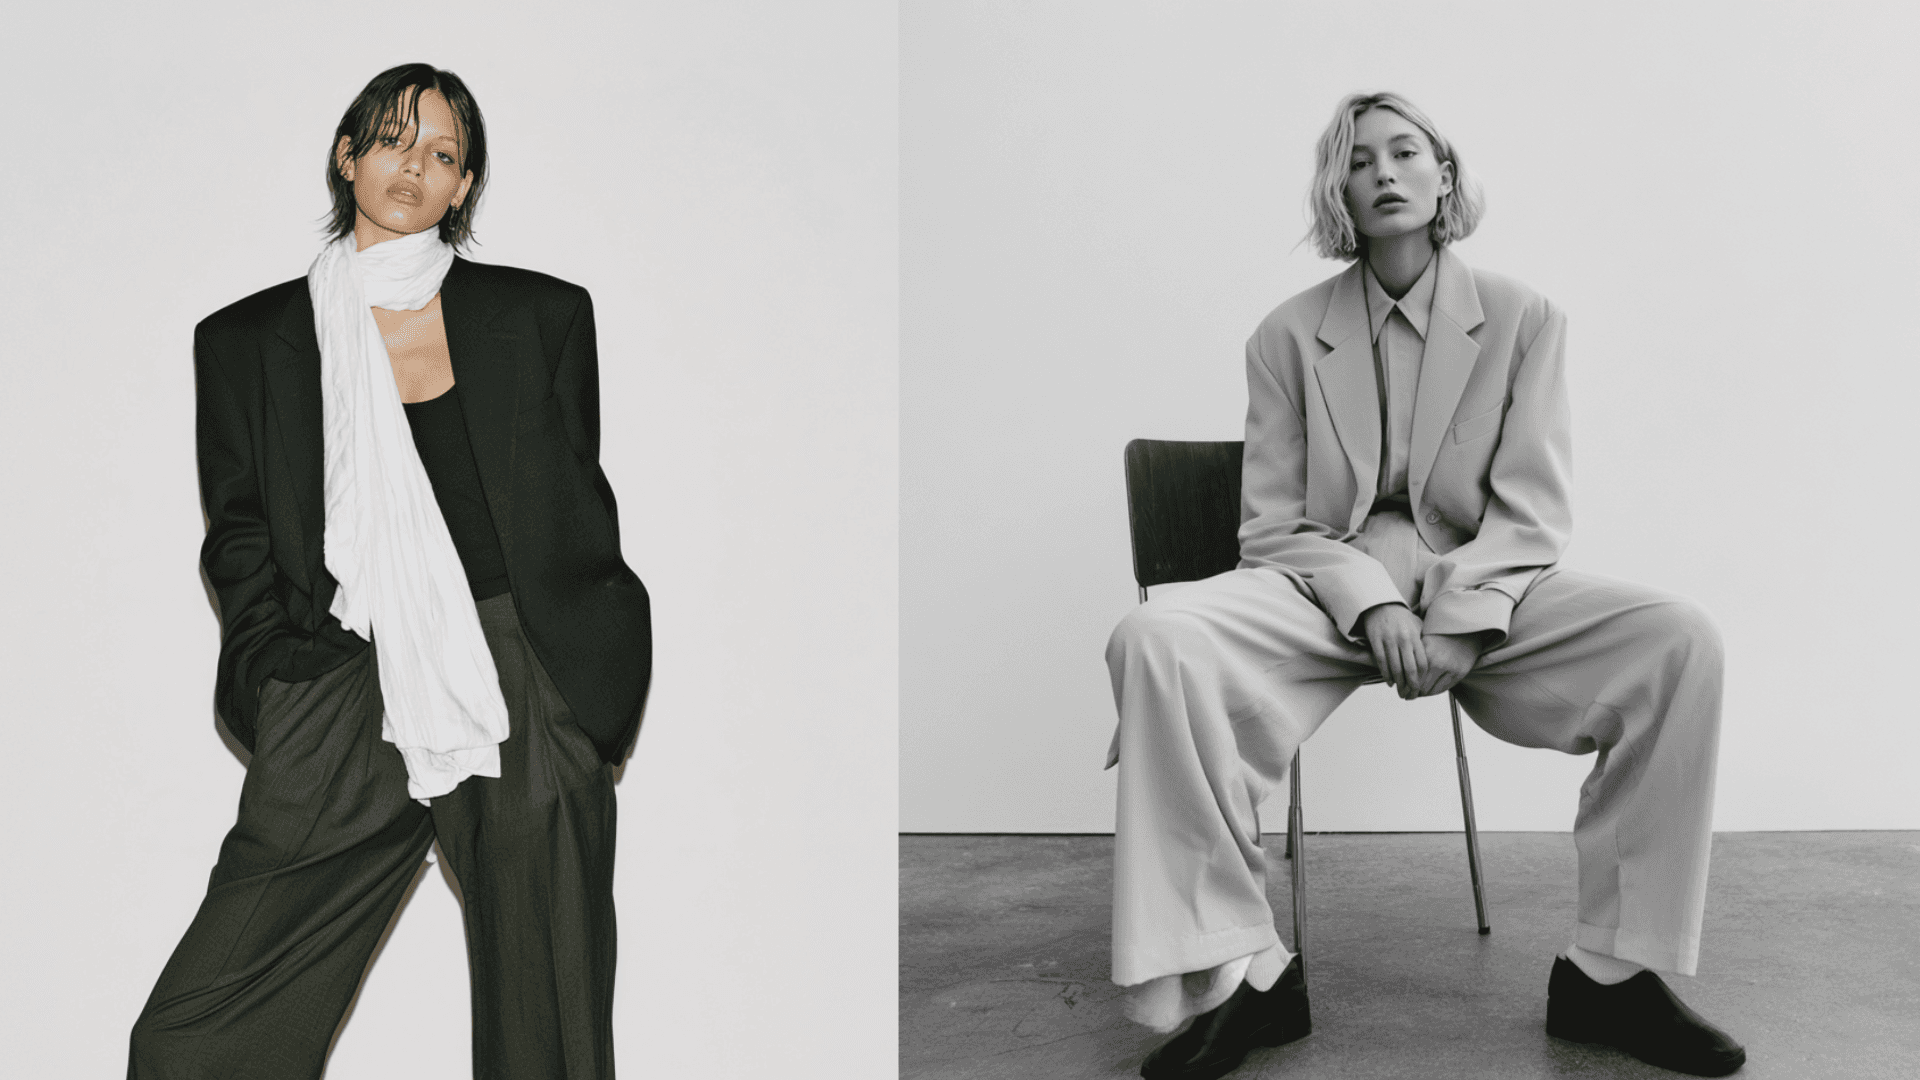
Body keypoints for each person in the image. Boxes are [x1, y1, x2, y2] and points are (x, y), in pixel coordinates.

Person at [1104, 92, 1744, 1079]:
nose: (1386, 173)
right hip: (1319, 594)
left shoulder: (1528, 320)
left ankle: (1609, 974)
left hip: (1486, 589)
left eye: (1407, 153)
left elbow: (1530, 510)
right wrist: (1375, 602)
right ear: (1339, 191)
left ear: (1444, 173)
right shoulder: (1284, 336)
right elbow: (1276, 525)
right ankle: (1245, 976)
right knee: (1155, 639)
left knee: (1681, 640)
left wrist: (1458, 617)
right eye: (1361, 161)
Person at [127, 63, 650, 1080]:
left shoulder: (542, 316)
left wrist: (584, 710)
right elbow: (237, 535)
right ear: (348, 155)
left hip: (521, 674)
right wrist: (277, 681)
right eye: (395, 138)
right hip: (341, 667)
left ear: (462, 189)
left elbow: (571, 511)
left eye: (443, 153)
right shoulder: (246, 342)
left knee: (549, 1025)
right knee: (194, 1035)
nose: (415, 162)